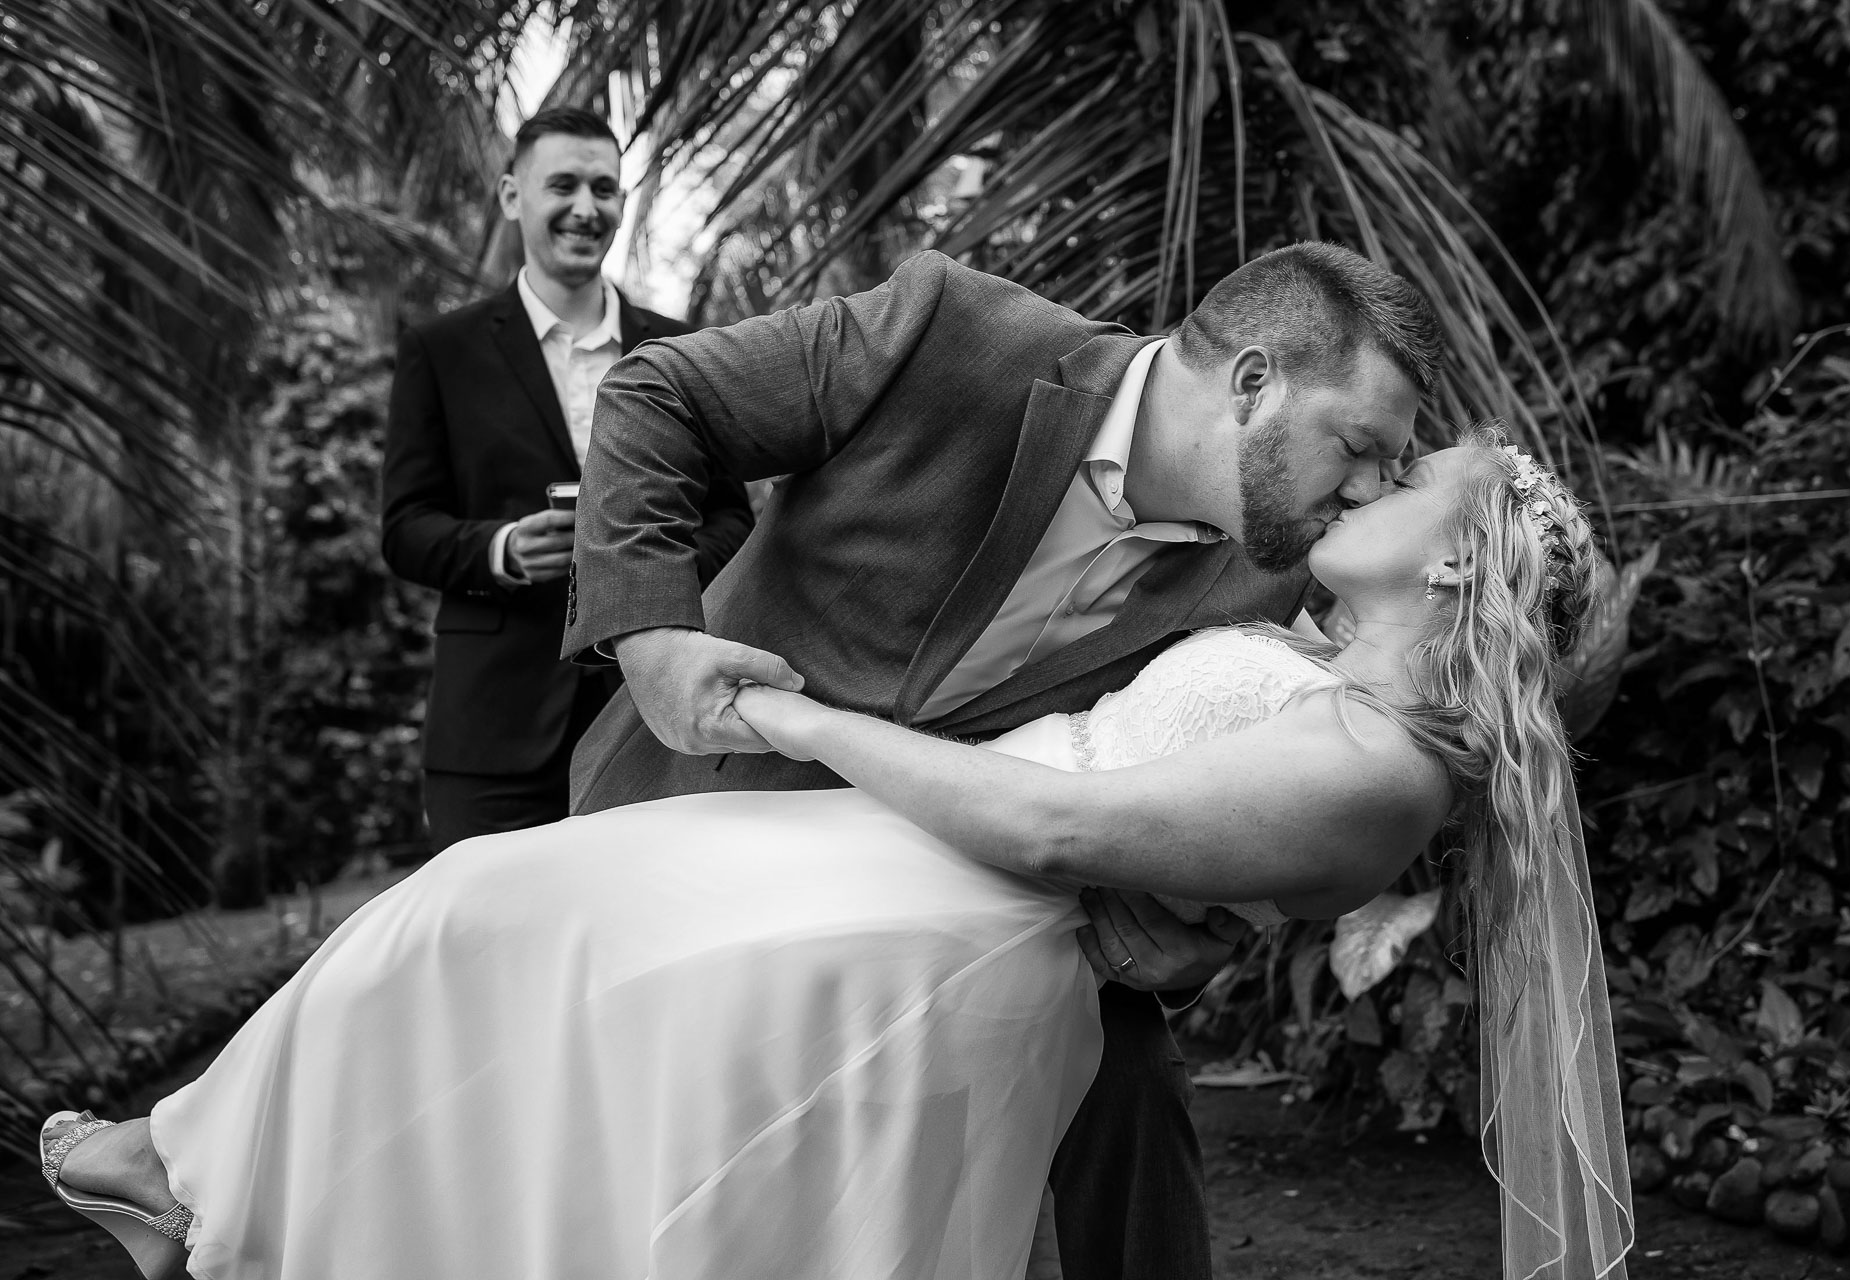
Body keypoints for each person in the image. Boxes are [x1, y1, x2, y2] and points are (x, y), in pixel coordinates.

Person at [40, 428, 1633, 1280]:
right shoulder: (1324, 677)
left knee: (653, 1134)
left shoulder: (1383, 773)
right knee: (502, 940)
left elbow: (1062, 824)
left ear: (1461, 559)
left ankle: (199, 1179)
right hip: (900, 871)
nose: (1383, 472)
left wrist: (798, 730)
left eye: (1422, 478)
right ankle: (202, 1174)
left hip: (940, 924)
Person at [562, 243, 1438, 1279]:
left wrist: (1189, 948)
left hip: (934, 918)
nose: (1375, 488)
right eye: (1361, 444)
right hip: (685, 821)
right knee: (625, 1202)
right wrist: (652, 640)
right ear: (1253, 383)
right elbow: (659, 394)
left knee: (1132, 1080)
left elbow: (1189, 811)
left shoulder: (1264, 590)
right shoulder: (951, 332)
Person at [380, 105, 753, 852]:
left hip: (654, 720)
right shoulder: (440, 350)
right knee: (497, 954)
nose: (587, 208)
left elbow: (733, 523)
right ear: (513, 195)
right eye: (563, 186)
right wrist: (502, 549)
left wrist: (645, 567)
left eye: (604, 188)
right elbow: (404, 529)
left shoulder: (683, 349)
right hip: (492, 732)